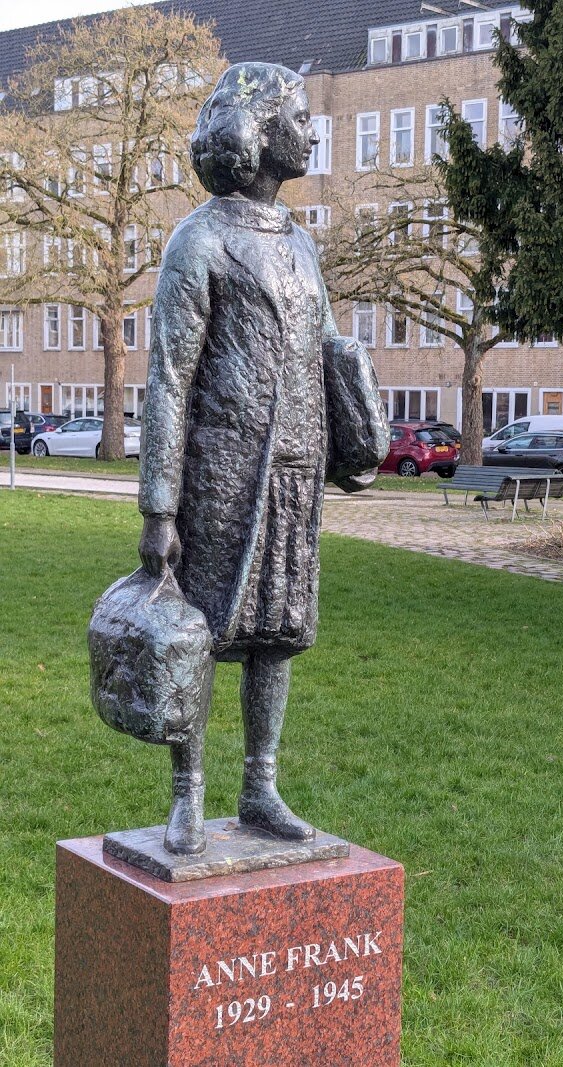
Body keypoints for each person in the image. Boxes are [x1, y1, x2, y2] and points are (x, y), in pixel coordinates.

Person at [137, 62, 387, 855]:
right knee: (204, 632)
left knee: (278, 631)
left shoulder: (303, 245)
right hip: (222, 472)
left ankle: (260, 784)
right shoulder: (198, 239)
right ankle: (188, 794)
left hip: (294, 469)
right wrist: (158, 505)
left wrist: (353, 428)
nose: (311, 131)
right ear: (256, 130)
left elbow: (317, 350)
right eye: (299, 117)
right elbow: (170, 376)